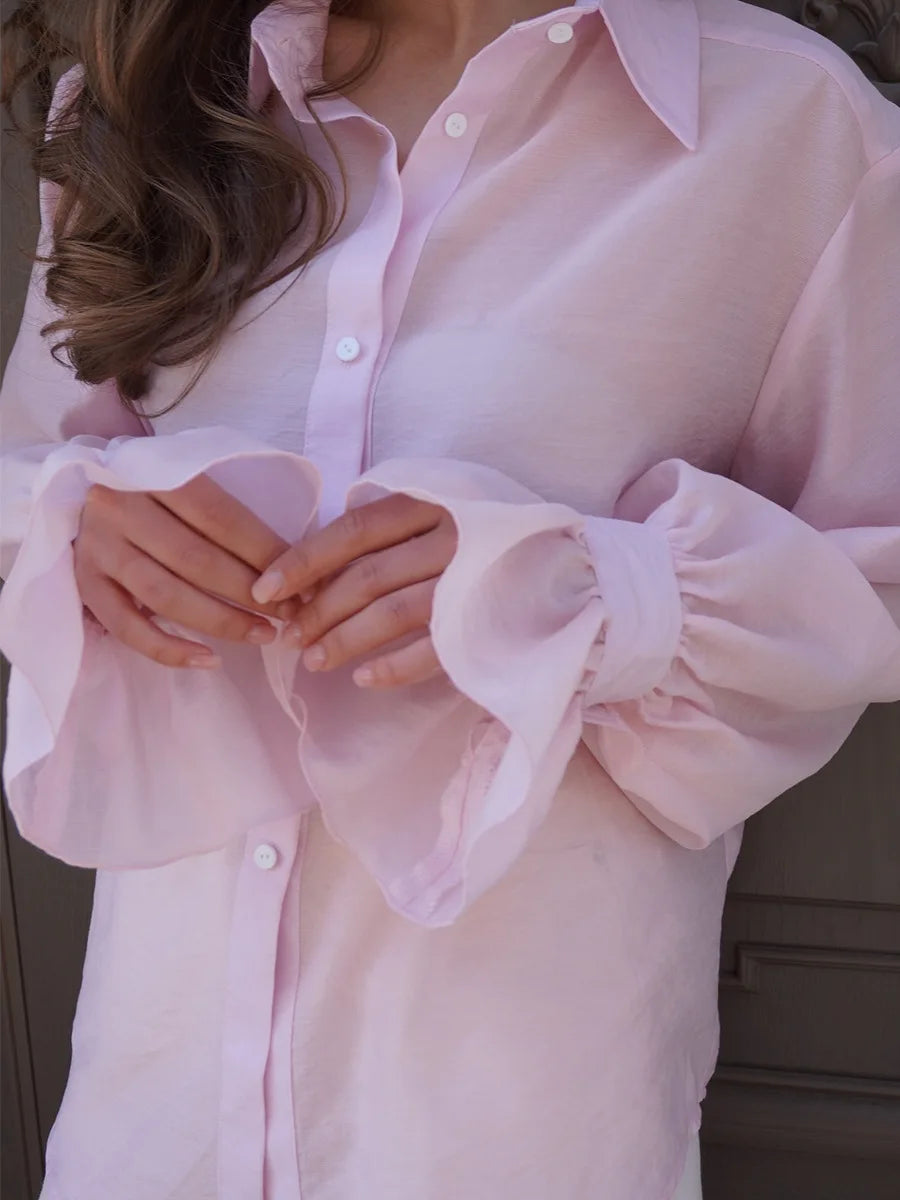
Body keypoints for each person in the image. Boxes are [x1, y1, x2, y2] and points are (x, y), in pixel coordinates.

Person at [1, 0, 898, 1197]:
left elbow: (874, 576)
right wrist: (84, 530)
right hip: (148, 1123)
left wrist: (583, 593)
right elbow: (28, 485)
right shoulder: (139, 111)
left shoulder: (792, 126)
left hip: (517, 1133)